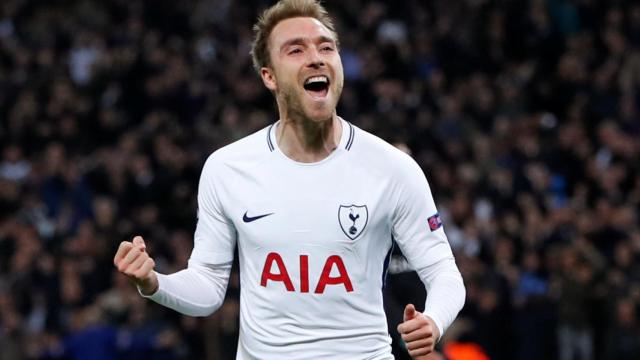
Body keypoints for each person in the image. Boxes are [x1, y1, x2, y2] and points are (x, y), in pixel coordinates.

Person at [113, 0, 465, 358]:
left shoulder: (393, 169)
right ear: (269, 76)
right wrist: (154, 283)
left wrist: (433, 321)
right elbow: (207, 286)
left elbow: (444, 273)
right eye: (296, 49)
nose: (316, 57)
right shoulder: (228, 168)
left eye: (326, 47)